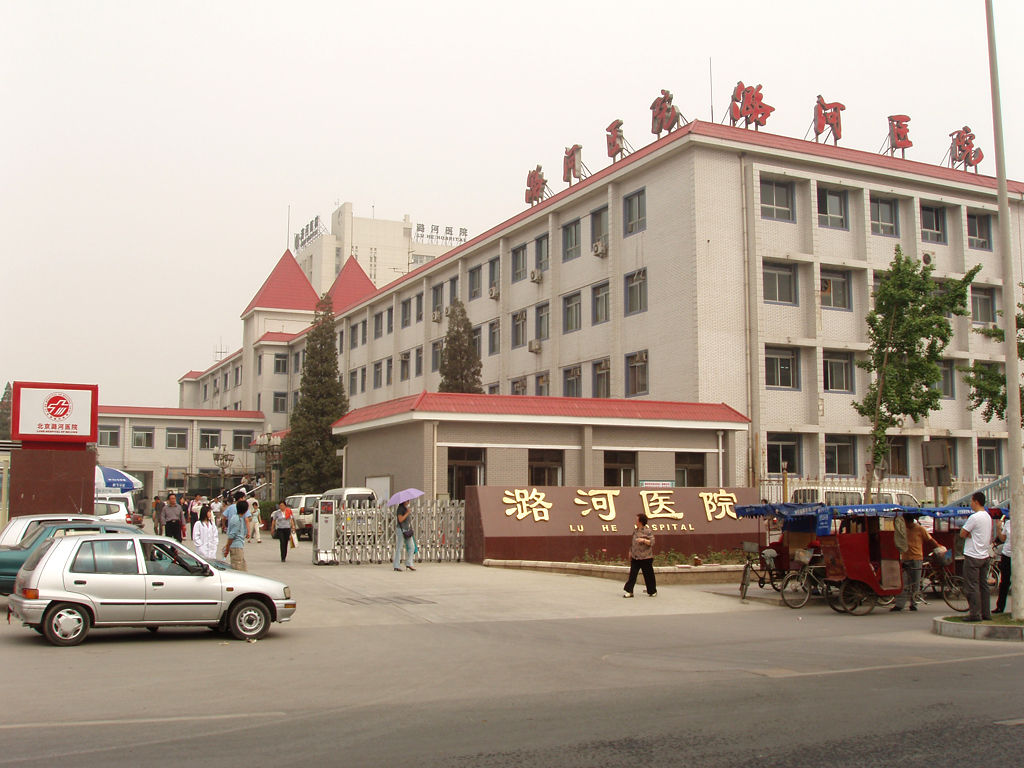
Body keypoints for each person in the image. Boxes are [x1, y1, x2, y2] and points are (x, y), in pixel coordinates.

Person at [891, 514, 941, 612]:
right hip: (905, 558)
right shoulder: (903, 529)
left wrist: (938, 547)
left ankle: (914, 604)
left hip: (917, 558)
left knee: (916, 581)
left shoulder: (920, 529)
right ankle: (899, 604)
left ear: (909, 521)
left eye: (905, 521)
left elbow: (930, 540)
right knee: (903, 582)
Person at [959, 491, 994, 622]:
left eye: (972, 501)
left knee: (972, 586)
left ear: (976, 502)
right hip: (984, 555)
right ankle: (986, 613)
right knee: (983, 585)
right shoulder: (988, 517)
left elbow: (963, 533)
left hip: (972, 554)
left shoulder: (974, 517)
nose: (971, 504)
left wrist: (970, 534)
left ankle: (975, 614)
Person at [623, 513, 657, 598]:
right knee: (632, 575)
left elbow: (652, 542)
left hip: (646, 557)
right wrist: (630, 552)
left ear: (641, 521)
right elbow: (633, 542)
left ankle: (652, 591)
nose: (635, 521)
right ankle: (629, 591)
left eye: (637, 519)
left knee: (648, 575)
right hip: (636, 557)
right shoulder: (635, 530)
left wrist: (643, 540)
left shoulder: (647, 531)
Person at [994, 514, 1012, 614]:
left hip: (1019, 555)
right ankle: (1000, 607)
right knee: (1004, 582)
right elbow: (1003, 539)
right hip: (1007, 554)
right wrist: (998, 529)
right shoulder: (1008, 523)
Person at [224, 499, 248, 571]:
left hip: (239, 546)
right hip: (236, 547)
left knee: (242, 567)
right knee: (238, 568)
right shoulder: (236, 520)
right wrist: (227, 547)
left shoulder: (239, 518)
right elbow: (232, 535)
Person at [393, 502, 416, 571]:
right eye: (407, 500)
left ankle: (409, 563)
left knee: (412, 547)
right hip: (401, 530)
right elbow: (400, 519)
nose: (408, 502)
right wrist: (407, 513)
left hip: (407, 530)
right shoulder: (400, 509)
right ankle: (396, 565)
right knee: (399, 547)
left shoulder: (406, 508)